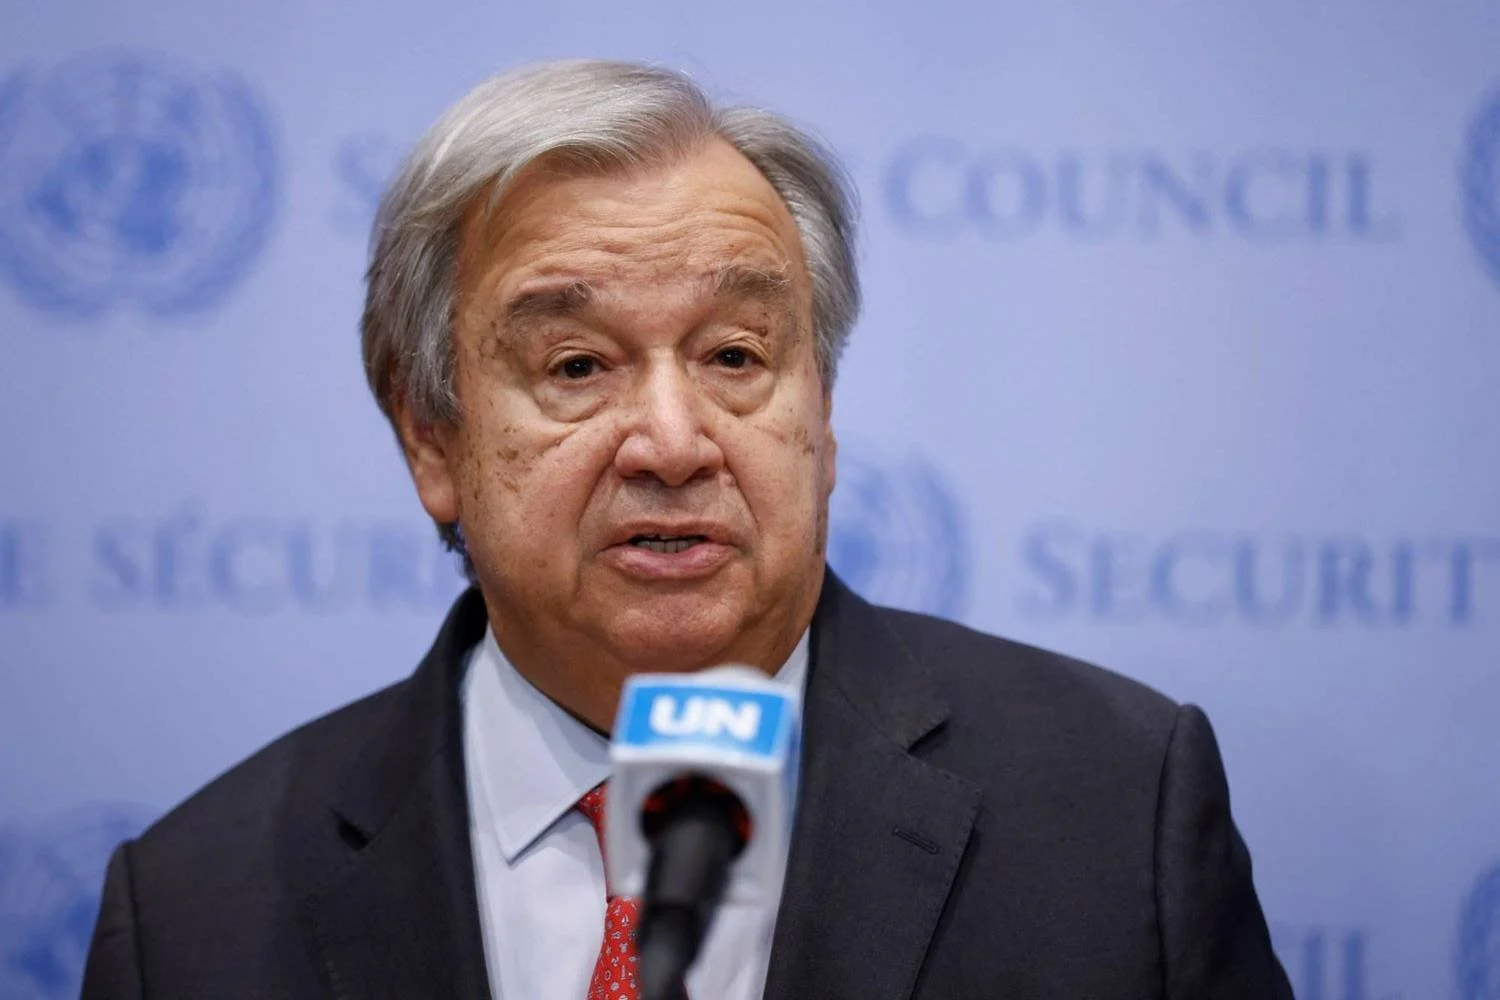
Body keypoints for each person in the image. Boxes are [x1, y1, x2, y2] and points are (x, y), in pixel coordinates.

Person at [81, 59, 1293, 999]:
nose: (672, 442)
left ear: (821, 411)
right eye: (576, 364)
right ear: (432, 440)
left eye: (735, 356)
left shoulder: (1115, 809)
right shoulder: (196, 910)